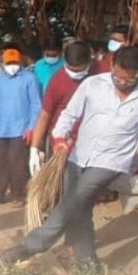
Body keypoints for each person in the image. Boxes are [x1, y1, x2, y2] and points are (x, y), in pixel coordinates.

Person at [1, 46, 138, 267]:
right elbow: (69, 114)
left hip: (112, 161)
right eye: (118, 77)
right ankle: (88, 263)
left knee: (73, 200)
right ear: (112, 65)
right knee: (81, 208)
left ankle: (31, 246)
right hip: (78, 155)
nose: (122, 82)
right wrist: (58, 138)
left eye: (129, 79)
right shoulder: (92, 85)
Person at [29, 42, 95, 175]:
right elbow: (45, 115)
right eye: (71, 69)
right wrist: (34, 148)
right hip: (61, 143)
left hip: (91, 142)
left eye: (78, 70)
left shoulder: (99, 77)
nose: (74, 73)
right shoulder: (57, 80)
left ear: (89, 62)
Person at [0, 47, 41, 204]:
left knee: (17, 163)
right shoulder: (1, 79)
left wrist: (31, 127)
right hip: (1, 128)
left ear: (21, 61)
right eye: (8, 62)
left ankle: (18, 194)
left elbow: (36, 104)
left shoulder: (29, 78)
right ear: (3, 63)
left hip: (20, 128)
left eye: (15, 62)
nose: (12, 65)